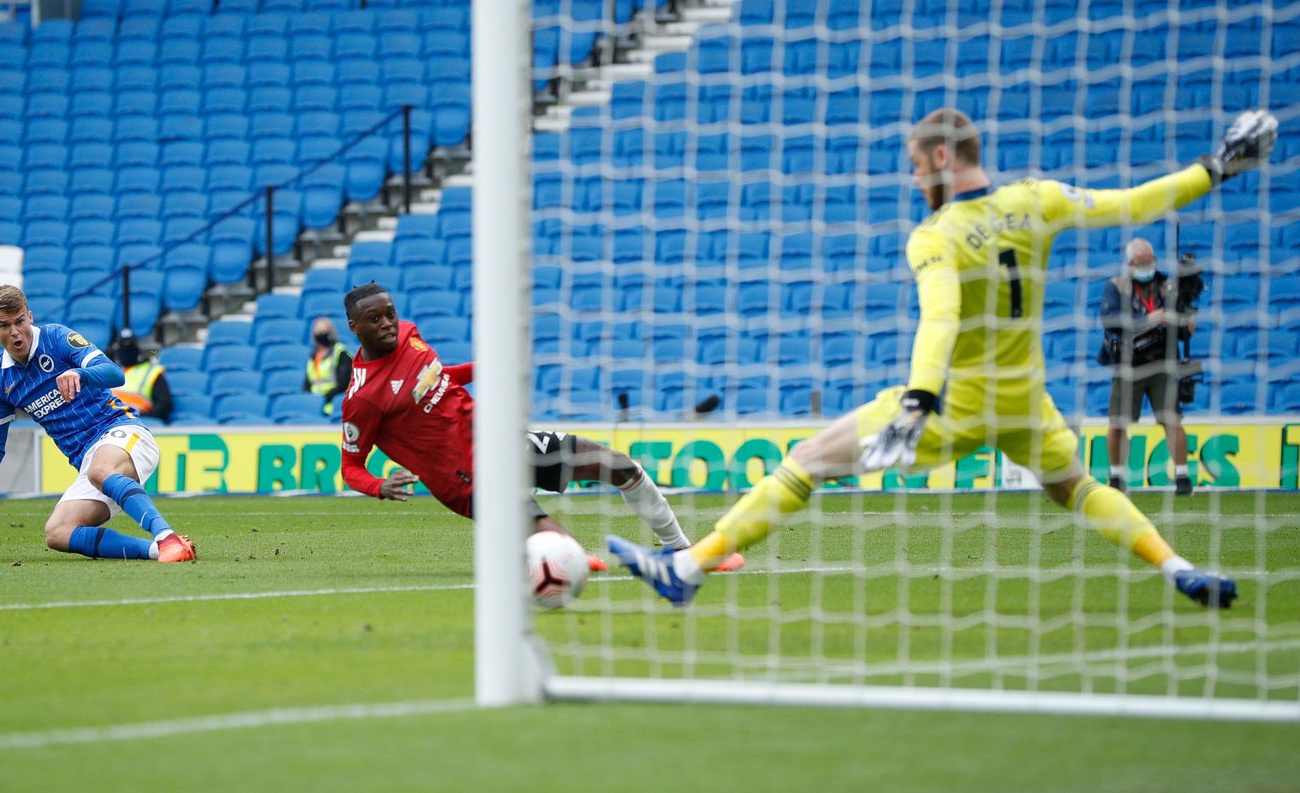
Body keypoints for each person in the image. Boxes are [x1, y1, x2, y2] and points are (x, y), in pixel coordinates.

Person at [610, 107, 1279, 609]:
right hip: (1025, 397)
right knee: (1077, 487)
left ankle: (686, 569)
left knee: (806, 461)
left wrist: (917, 400)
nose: (911, 178)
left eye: (912, 165)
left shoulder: (938, 234)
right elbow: (1133, 204)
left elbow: (942, 318)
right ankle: (1177, 565)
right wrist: (1215, 168)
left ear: (938, 156)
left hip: (955, 401)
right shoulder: (1036, 199)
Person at [338, 282, 743, 571]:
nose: (388, 324)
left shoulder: (410, 334)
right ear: (355, 328)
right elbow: (350, 467)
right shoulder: (364, 398)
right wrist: (378, 485)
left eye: (390, 313)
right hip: (465, 479)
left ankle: (682, 551)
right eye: (375, 319)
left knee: (620, 465)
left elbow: (437, 377)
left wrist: (483, 368)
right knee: (570, 560)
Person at [0, 286, 196, 562]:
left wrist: (80, 373)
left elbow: (115, 374)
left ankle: (167, 538)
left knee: (100, 470)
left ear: (29, 316)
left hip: (122, 431)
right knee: (58, 533)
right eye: (4, 325)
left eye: (19, 321)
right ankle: (158, 550)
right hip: (89, 463)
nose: (15, 331)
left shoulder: (56, 337)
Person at [1099, 238, 1195, 495]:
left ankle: (1183, 477)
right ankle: (1117, 478)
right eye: (1141, 263)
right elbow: (1109, 320)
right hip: (1127, 362)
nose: (1146, 266)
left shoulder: (1166, 285)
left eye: (1149, 261)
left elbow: (1184, 327)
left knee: (1171, 419)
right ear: (1130, 264)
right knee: (1117, 422)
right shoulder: (1116, 286)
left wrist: (1182, 322)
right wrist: (1147, 320)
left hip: (1161, 362)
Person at [110, 328, 173, 424]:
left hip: (139, 421)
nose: (126, 350)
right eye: (122, 346)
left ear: (137, 348)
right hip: (110, 420)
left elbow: (164, 404)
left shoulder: (152, 371)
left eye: (130, 346)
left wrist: (143, 415)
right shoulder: (110, 371)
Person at [305, 316, 353, 417]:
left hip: (334, 404)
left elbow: (344, 383)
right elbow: (307, 384)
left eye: (324, 331)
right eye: (318, 331)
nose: (320, 334)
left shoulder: (340, 352)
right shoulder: (313, 356)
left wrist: (325, 397)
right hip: (314, 405)